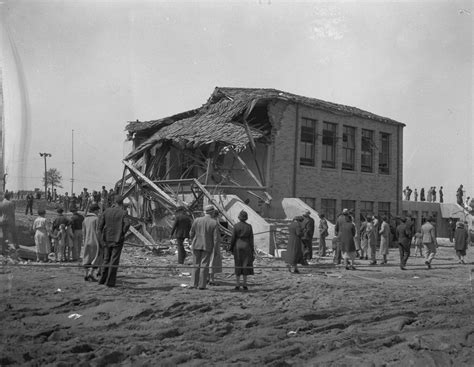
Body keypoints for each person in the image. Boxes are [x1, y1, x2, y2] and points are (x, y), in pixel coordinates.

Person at [98, 195, 130, 287]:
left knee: (106, 259)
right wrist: (122, 233)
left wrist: (101, 237)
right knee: (114, 260)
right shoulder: (123, 212)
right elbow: (127, 224)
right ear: (122, 203)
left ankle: (102, 280)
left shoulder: (106, 211)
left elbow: (100, 226)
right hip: (117, 239)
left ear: (114, 202)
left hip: (106, 238)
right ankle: (110, 282)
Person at [189, 204, 220, 290]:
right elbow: (216, 239)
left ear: (205, 212)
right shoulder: (214, 223)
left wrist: (193, 240)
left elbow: (191, 233)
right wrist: (216, 250)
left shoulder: (197, 220)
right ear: (212, 212)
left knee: (196, 265)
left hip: (196, 245)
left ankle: (193, 284)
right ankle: (202, 285)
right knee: (204, 265)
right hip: (207, 246)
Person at [229, 210, 255, 290]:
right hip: (247, 246)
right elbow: (251, 239)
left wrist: (231, 248)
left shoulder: (236, 226)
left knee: (238, 264)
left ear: (239, 217)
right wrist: (252, 249)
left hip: (238, 246)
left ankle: (237, 284)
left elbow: (233, 238)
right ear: (246, 217)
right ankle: (245, 283)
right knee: (245, 265)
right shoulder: (249, 226)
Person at [82, 203, 102, 281]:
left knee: (87, 257)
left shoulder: (85, 219)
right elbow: (98, 231)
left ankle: (86, 274)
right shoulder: (96, 219)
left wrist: (84, 241)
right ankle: (91, 273)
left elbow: (83, 231)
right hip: (95, 241)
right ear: (96, 210)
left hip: (87, 240)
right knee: (96, 257)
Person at [208, 209, 223, 285]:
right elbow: (216, 237)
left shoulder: (206, 221)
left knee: (206, 262)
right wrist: (216, 248)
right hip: (213, 245)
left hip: (205, 245)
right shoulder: (214, 223)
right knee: (212, 262)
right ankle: (211, 279)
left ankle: (207, 278)